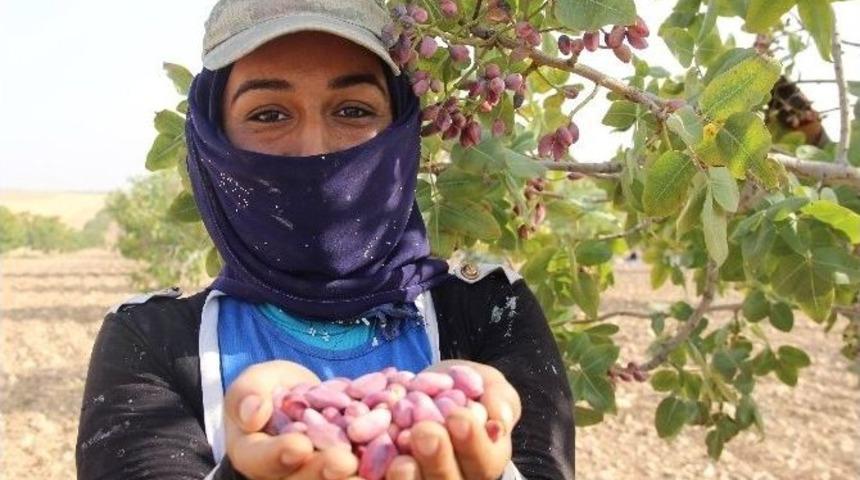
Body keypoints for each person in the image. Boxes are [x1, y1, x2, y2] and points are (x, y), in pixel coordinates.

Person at [75, 1, 575, 479]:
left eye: (354, 110)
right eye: (269, 114)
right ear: (212, 140)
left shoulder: (489, 308)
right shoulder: (151, 340)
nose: (313, 150)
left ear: (401, 133)